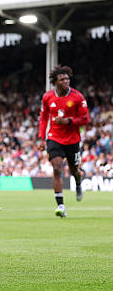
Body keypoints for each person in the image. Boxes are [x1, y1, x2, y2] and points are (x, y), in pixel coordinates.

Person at [37, 65, 89, 218]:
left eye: (67, 78)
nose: (66, 81)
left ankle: (78, 183)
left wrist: (68, 121)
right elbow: (43, 118)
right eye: (62, 79)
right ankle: (60, 205)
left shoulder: (77, 97)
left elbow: (85, 119)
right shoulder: (47, 97)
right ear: (55, 82)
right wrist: (41, 138)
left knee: (74, 171)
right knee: (57, 168)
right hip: (54, 137)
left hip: (73, 139)